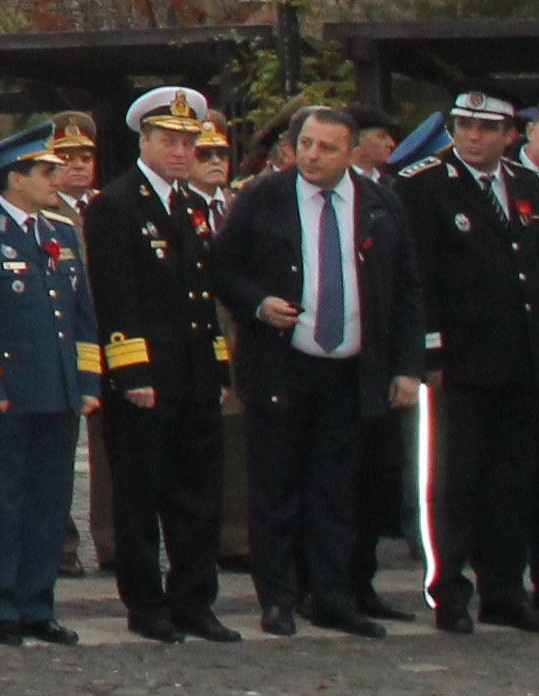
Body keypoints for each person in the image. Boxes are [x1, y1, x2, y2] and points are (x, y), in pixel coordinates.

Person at [217, 103, 427, 635]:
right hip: (281, 365)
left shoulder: (380, 203)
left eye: (327, 148)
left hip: (352, 368)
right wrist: (259, 303)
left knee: (338, 491)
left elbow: (406, 289)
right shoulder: (263, 198)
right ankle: (279, 597)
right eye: (306, 144)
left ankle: (333, 596)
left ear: (352, 153)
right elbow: (222, 267)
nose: (312, 156)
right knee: (277, 488)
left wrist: (406, 367)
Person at [0, 118, 98, 646]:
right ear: (14, 177)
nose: (57, 178)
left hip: (56, 387)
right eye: (45, 171)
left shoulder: (60, 233)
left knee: (49, 502)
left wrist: (87, 381)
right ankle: (0, 605)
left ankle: (37, 602)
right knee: (0, 501)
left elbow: (79, 315)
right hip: (5, 390)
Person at [89, 85, 239, 643]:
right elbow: (116, 295)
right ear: (143, 141)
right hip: (147, 376)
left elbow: (203, 296)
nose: (180, 151)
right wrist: (132, 372)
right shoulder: (116, 204)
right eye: (168, 140)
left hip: (195, 374)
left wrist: (218, 369)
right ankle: (146, 605)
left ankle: (195, 601)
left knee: (198, 496)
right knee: (140, 497)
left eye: (187, 141)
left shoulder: (190, 207)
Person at [396, 92, 539, 632]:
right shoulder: (423, 184)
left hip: (520, 360)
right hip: (457, 361)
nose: (473, 136)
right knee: (453, 480)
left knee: (512, 482)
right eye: (464, 125)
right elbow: (419, 277)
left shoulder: (526, 187)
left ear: (509, 134)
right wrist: (427, 349)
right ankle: (448, 589)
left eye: (486, 127)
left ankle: (503, 588)